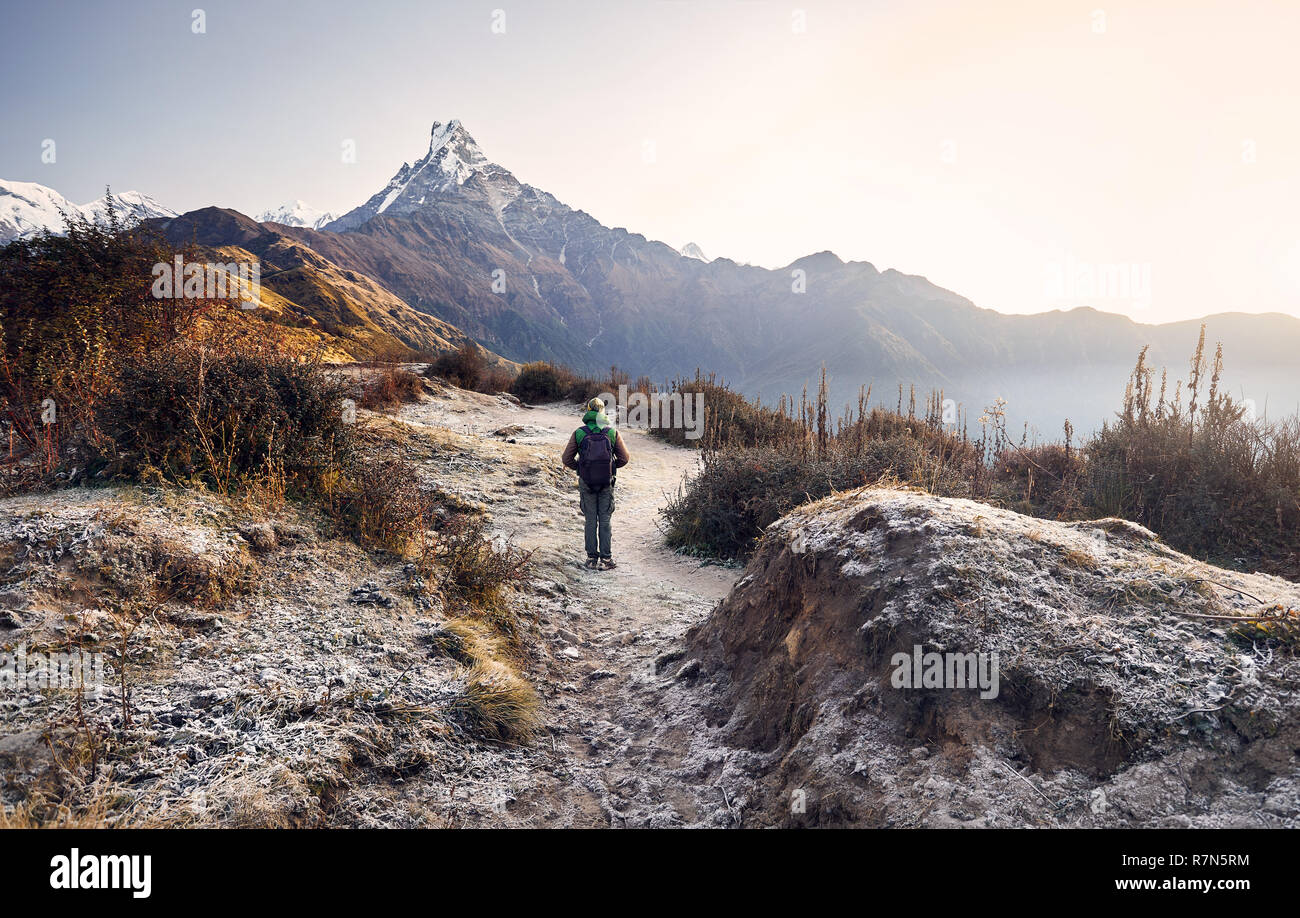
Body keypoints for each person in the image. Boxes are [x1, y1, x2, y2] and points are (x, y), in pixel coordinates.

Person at [561, 397, 630, 569]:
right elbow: (624, 458)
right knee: (605, 520)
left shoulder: (579, 433)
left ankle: (591, 559)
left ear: (588, 410)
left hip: (587, 482)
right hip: (606, 482)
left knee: (590, 520)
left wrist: (580, 468)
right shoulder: (612, 432)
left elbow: (566, 458)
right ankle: (606, 560)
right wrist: (611, 468)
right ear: (602, 412)